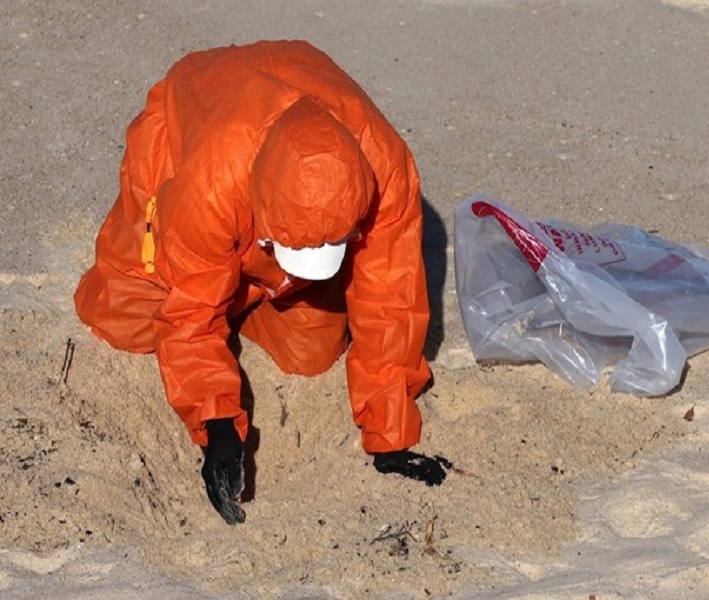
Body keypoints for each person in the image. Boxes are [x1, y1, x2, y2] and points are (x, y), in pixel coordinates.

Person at [73, 40, 450, 525]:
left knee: (309, 357)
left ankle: (237, 297)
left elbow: (391, 301)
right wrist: (216, 423)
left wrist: (391, 437)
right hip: (187, 138)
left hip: (276, 202)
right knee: (125, 319)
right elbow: (187, 317)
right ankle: (225, 290)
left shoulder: (384, 168)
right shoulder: (209, 181)